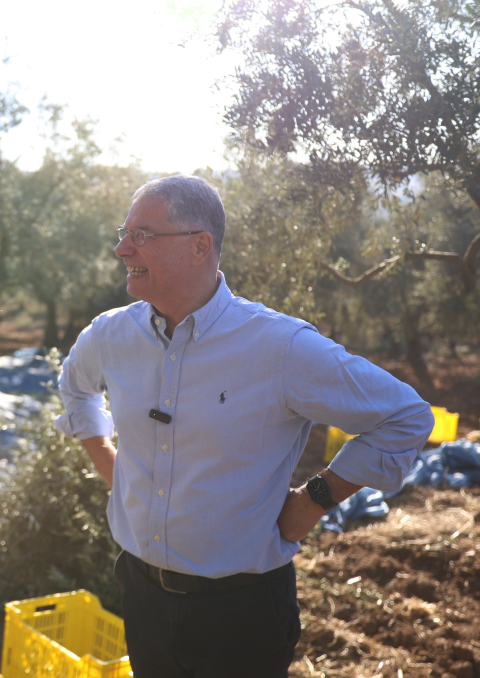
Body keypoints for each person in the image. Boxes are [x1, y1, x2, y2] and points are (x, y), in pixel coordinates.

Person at [55, 175, 434, 677]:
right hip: (141, 595)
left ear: (199, 245)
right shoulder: (110, 335)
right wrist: (110, 466)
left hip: (241, 615)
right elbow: (75, 387)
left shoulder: (280, 348)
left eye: (141, 235)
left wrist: (315, 498)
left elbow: (406, 416)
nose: (123, 248)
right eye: (124, 233)